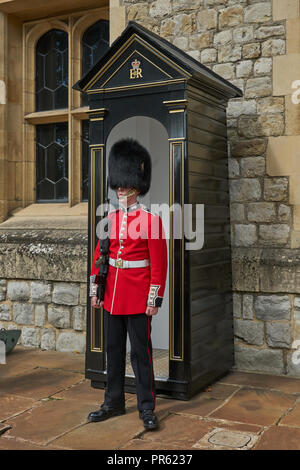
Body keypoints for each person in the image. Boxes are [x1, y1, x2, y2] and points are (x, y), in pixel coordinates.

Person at [88, 138, 168, 430]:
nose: (120, 189)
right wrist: (96, 290)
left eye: (125, 185)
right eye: (118, 185)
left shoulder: (151, 221)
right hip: (112, 295)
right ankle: (113, 401)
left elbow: (159, 265)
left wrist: (153, 299)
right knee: (113, 350)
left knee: (140, 354)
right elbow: (101, 258)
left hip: (137, 297)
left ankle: (147, 407)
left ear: (137, 186)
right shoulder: (109, 219)